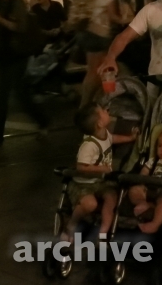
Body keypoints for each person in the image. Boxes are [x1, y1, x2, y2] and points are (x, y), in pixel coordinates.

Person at [0, 0, 49, 147]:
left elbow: (20, 27)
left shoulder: (17, 3)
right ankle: (42, 121)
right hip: (4, 54)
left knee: (5, 96)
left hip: (17, 55)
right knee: (18, 94)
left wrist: (0, 20)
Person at [63, 103, 136, 241]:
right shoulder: (89, 145)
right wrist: (101, 168)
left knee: (111, 197)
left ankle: (103, 231)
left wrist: (130, 138)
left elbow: (113, 138)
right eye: (103, 110)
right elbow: (81, 167)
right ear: (100, 123)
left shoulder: (104, 134)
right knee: (90, 205)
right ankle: (72, 224)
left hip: (100, 182)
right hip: (84, 184)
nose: (107, 110)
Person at [77, 0, 123, 105]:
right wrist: (127, 18)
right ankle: (86, 104)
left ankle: (93, 102)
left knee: (96, 70)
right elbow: (114, 18)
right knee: (96, 71)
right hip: (99, 35)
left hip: (85, 34)